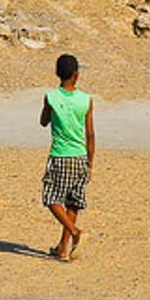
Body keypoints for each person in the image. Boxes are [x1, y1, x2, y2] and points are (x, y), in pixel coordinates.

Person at [39, 53, 94, 262]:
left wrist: (50, 112)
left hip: (60, 156)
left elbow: (43, 121)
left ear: (57, 74)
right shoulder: (86, 100)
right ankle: (63, 247)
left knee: (50, 198)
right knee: (72, 202)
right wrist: (91, 162)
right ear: (76, 75)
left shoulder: (51, 97)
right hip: (80, 156)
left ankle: (75, 232)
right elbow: (90, 133)